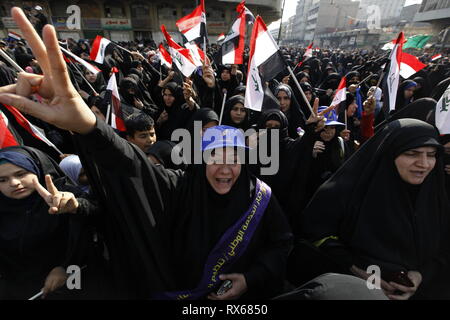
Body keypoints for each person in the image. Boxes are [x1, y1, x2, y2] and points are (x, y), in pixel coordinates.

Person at [0, 9, 294, 299]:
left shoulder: (261, 198)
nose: (225, 168)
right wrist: (88, 126)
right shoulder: (180, 186)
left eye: (234, 159)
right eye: (215, 157)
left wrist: (250, 278)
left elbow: (281, 245)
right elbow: (131, 164)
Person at [291, 119, 449, 300]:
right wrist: (357, 272)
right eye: (412, 153)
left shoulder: (435, 197)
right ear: (389, 153)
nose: (424, 164)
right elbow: (315, 235)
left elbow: (443, 249)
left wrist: (421, 275)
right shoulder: (345, 192)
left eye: (431, 155)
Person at [0, 146, 94, 299]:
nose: (14, 183)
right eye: (2, 180)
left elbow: (96, 225)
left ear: (37, 168)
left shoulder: (63, 196)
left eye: (21, 173)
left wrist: (78, 207)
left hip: (78, 283)